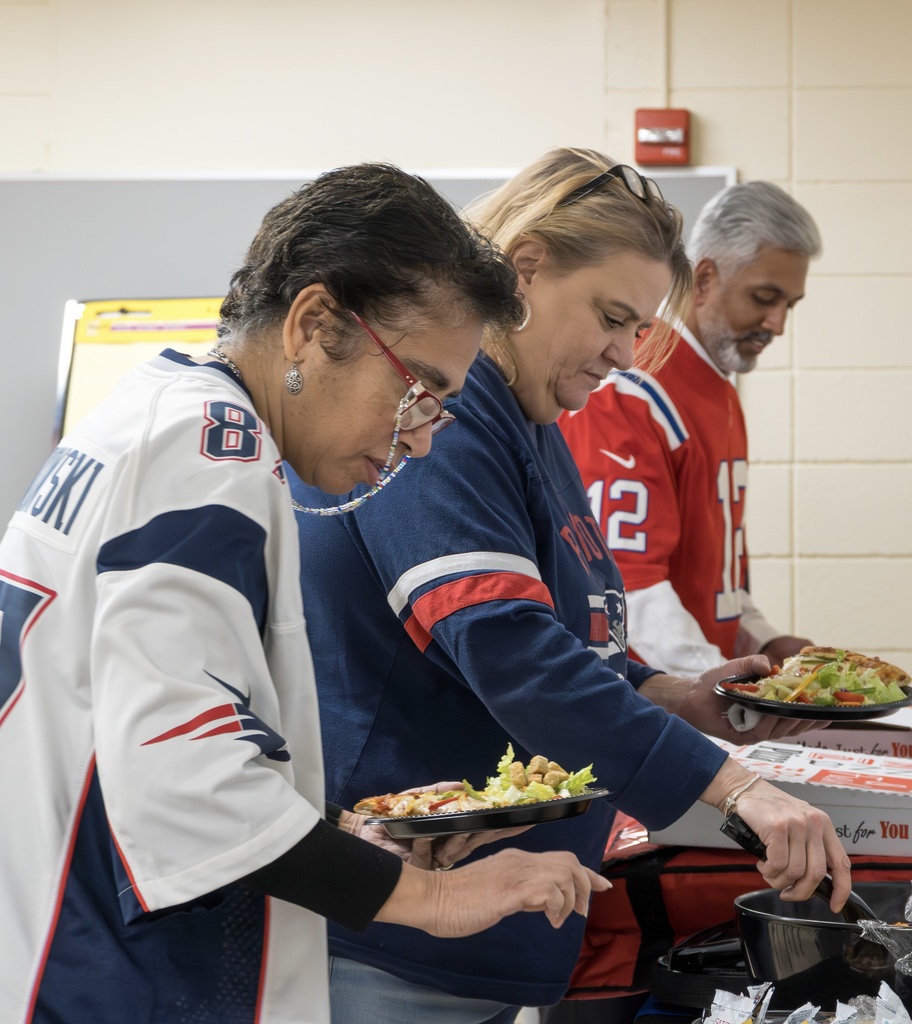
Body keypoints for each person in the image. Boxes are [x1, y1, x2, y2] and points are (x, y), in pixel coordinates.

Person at [0, 164, 609, 1024]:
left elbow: (143, 719)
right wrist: (429, 900)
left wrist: (341, 834)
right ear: (313, 324)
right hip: (112, 972)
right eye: (419, 388)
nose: (425, 440)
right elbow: (191, 784)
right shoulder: (210, 453)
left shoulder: (151, 406)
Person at [289, 149, 852, 1024]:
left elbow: (571, 638)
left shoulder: (533, 417)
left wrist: (671, 695)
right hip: (393, 935)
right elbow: (509, 649)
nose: (626, 355)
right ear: (525, 269)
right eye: (613, 317)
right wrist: (737, 785)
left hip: (478, 928)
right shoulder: (450, 412)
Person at [561, 181, 821, 679]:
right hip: (644, 701)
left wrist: (761, 637)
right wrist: (723, 684)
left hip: (696, 689)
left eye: (791, 304)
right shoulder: (633, 387)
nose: (778, 323)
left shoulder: (719, 385)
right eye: (765, 297)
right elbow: (627, 588)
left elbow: (711, 570)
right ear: (703, 278)